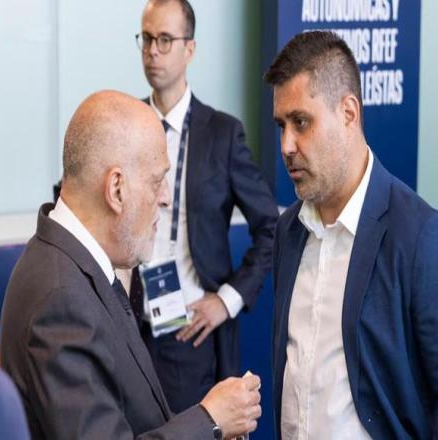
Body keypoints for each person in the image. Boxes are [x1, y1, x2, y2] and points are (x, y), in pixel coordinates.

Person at [264, 30, 438, 439]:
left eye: (301, 122)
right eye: (281, 126)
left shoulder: (423, 238)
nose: (287, 145)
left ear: (348, 113)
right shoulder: (289, 232)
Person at [0, 90, 261, 440]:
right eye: (157, 181)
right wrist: (209, 420)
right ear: (117, 189)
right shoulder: (61, 299)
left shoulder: (79, 268)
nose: (166, 198)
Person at [130, 0, 278, 413]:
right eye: (146, 39)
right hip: (128, 326)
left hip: (189, 333)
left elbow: (271, 228)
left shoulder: (222, 134)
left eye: (165, 40)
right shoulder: (127, 126)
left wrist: (227, 300)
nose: (153, 51)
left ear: (189, 49)